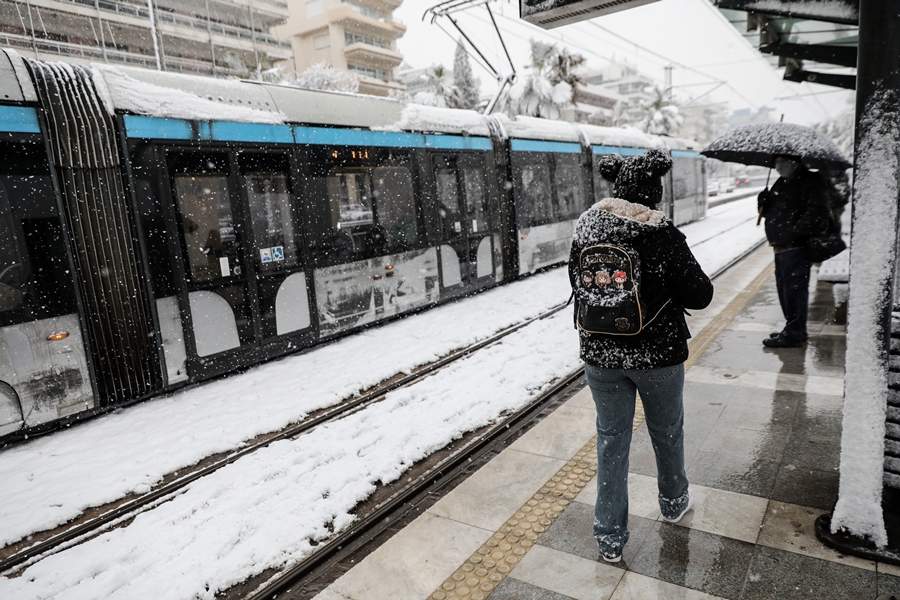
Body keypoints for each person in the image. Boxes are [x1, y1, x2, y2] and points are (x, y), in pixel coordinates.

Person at [568, 149, 714, 563]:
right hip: (657, 357)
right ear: (654, 192)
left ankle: (609, 536)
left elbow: (580, 288)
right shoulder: (661, 234)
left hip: (601, 354)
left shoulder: (586, 228)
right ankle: (672, 502)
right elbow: (701, 295)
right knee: (667, 432)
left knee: (611, 440)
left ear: (616, 188)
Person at [757, 156, 832, 348]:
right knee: (785, 290)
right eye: (776, 162)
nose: (778, 165)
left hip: (795, 246)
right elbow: (775, 211)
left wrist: (795, 231)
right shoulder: (781, 182)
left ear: (794, 161)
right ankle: (793, 328)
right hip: (781, 246)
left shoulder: (811, 180)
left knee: (794, 291)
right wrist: (763, 203)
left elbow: (819, 211)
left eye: (782, 161)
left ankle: (795, 333)